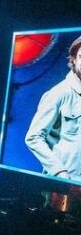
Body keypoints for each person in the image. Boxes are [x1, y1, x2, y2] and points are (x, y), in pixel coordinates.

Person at [25, 35, 81, 179]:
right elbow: (33, 137)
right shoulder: (59, 93)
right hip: (63, 186)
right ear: (74, 59)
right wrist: (59, 171)